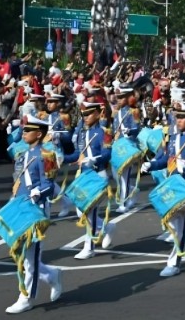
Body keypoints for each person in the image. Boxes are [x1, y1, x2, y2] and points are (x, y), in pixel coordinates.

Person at [4, 115, 62, 314]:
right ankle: (52, 275)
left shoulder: (46, 156)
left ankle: (26, 297)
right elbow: (18, 181)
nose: (24, 133)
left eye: (28, 130)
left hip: (36, 209)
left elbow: (49, 185)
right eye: (24, 130)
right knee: (24, 255)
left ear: (39, 134)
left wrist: (39, 193)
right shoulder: (22, 154)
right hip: (21, 206)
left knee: (30, 256)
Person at [140, 103, 185, 277]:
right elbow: (164, 160)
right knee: (172, 224)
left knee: (182, 225)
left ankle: (174, 262)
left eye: (182, 117)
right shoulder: (170, 137)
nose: (178, 120)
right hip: (172, 182)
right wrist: (151, 164)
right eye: (177, 117)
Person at [63, 102, 115, 259]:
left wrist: (94, 159)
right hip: (84, 176)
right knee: (80, 211)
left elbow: (107, 153)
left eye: (89, 114)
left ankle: (89, 247)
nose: (85, 117)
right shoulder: (83, 134)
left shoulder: (104, 132)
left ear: (98, 115)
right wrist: (62, 158)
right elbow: (77, 154)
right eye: (84, 115)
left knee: (89, 211)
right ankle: (106, 228)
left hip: (98, 175)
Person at [111, 86, 141, 212]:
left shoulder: (133, 111)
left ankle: (123, 202)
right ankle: (133, 190)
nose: (119, 99)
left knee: (124, 176)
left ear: (129, 97)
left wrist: (129, 131)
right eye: (118, 97)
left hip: (128, 146)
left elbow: (137, 127)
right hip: (117, 145)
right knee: (115, 175)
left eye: (122, 97)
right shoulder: (116, 112)